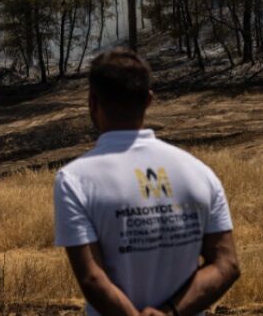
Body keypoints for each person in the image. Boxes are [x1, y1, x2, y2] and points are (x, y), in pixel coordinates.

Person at [54, 48, 240, 316]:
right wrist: (170, 312)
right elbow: (227, 265)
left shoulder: (75, 180)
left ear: (92, 102)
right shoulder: (199, 172)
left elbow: (92, 278)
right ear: (148, 100)